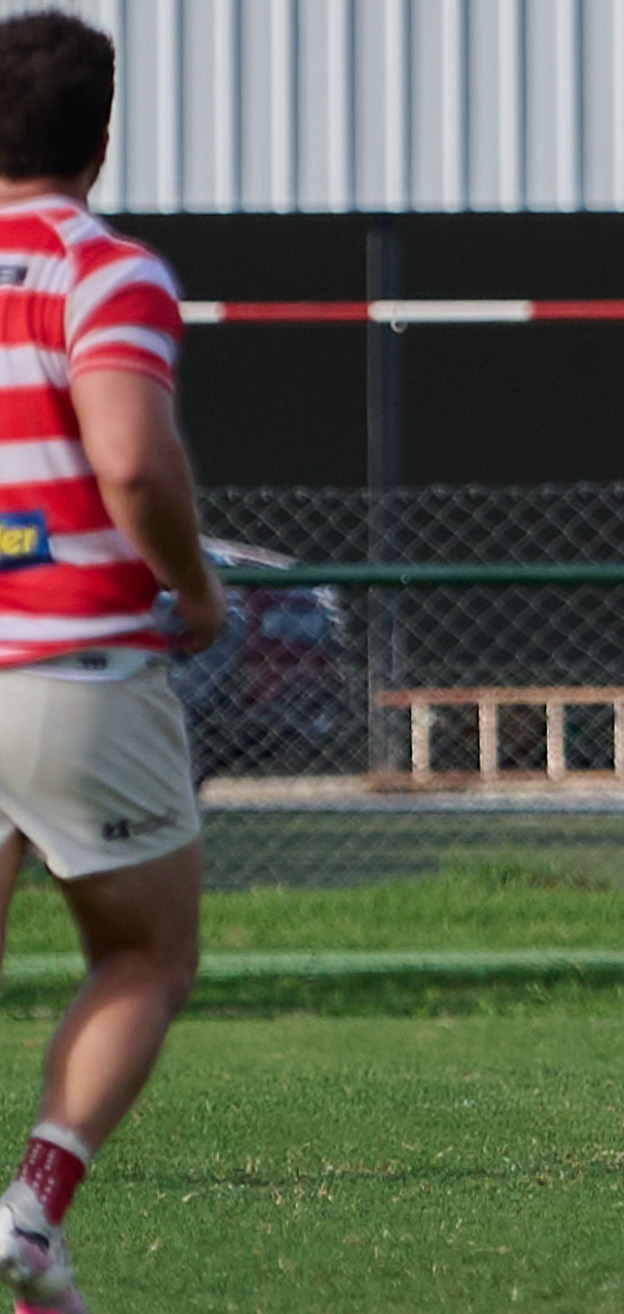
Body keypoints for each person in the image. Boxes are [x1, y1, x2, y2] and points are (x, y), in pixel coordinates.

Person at [0, 12, 228, 1312]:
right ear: (101, 134)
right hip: (71, 665)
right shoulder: (102, 268)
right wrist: (193, 588)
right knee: (145, 954)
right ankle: (34, 1207)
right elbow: (132, 456)